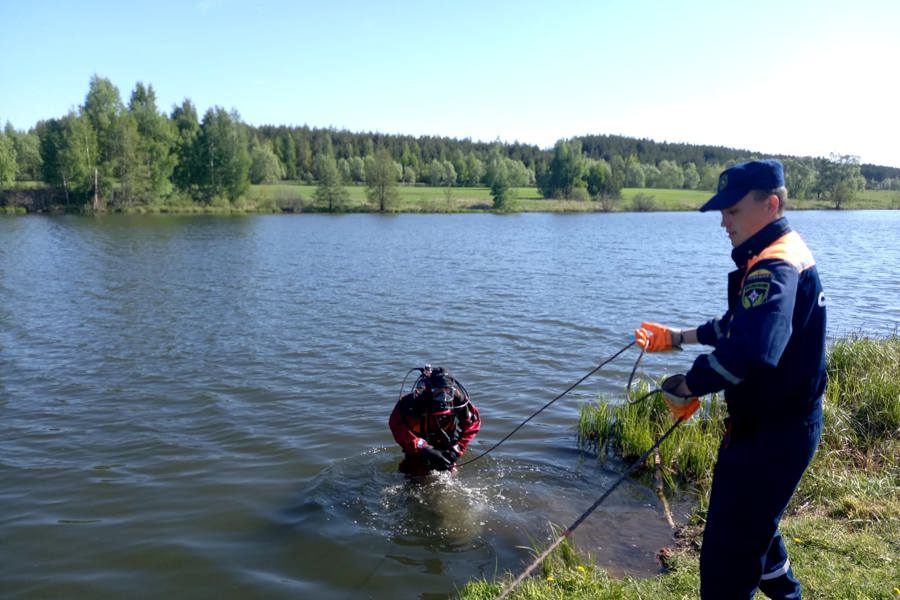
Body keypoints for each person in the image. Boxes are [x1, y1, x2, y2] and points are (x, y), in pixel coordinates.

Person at [635, 159, 826, 599]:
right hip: (776, 427)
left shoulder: (774, 267)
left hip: (771, 436)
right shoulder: (777, 252)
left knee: (728, 560)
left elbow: (751, 353)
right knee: (758, 530)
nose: (724, 221)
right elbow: (739, 324)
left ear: (771, 204)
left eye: (733, 211)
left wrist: (686, 386)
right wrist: (677, 338)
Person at [389, 366, 481, 477]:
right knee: (413, 480)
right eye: (438, 393)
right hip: (419, 450)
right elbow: (396, 425)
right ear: (429, 390)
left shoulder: (459, 400)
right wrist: (424, 449)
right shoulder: (413, 402)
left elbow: (473, 424)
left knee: (449, 477)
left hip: (446, 447)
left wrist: (457, 449)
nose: (444, 398)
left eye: (448, 392)